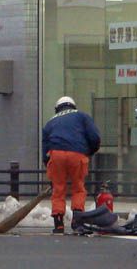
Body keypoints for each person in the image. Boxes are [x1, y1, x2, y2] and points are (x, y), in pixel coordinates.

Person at [42, 96, 101, 234]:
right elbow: (94, 137)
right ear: (73, 106)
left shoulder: (50, 121)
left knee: (58, 189)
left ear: (58, 108)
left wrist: (48, 164)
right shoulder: (82, 116)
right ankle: (77, 221)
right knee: (78, 188)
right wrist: (89, 151)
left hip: (56, 153)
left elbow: (45, 148)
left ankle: (58, 224)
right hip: (77, 153)